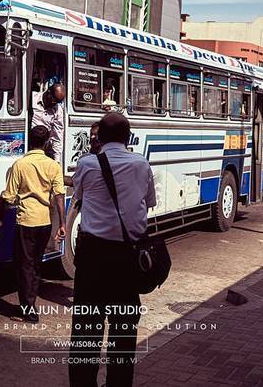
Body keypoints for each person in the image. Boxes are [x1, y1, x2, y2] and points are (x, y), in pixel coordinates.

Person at [69, 112, 155, 387]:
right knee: (123, 333)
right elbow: (148, 202)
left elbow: (78, 198)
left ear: (99, 138)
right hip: (126, 258)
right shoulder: (141, 165)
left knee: (86, 332)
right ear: (128, 138)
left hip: (93, 257)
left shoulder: (87, 164)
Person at [0, 125, 66, 323]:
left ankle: (28, 310)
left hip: (26, 221)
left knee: (24, 266)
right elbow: (60, 196)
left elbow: (9, 197)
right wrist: (62, 224)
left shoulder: (20, 165)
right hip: (45, 221)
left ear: (30, 141)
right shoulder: (53, 166)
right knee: (36, 265)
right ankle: (30, 303)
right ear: (46, 143)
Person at [32, 82, 66, 161]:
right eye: (54, 100)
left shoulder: (58, 110)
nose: (54, 104)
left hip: (42, 147)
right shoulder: (32, 98)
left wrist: (57, 160)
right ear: (48, 92)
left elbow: (57, 136)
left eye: (57, 102)